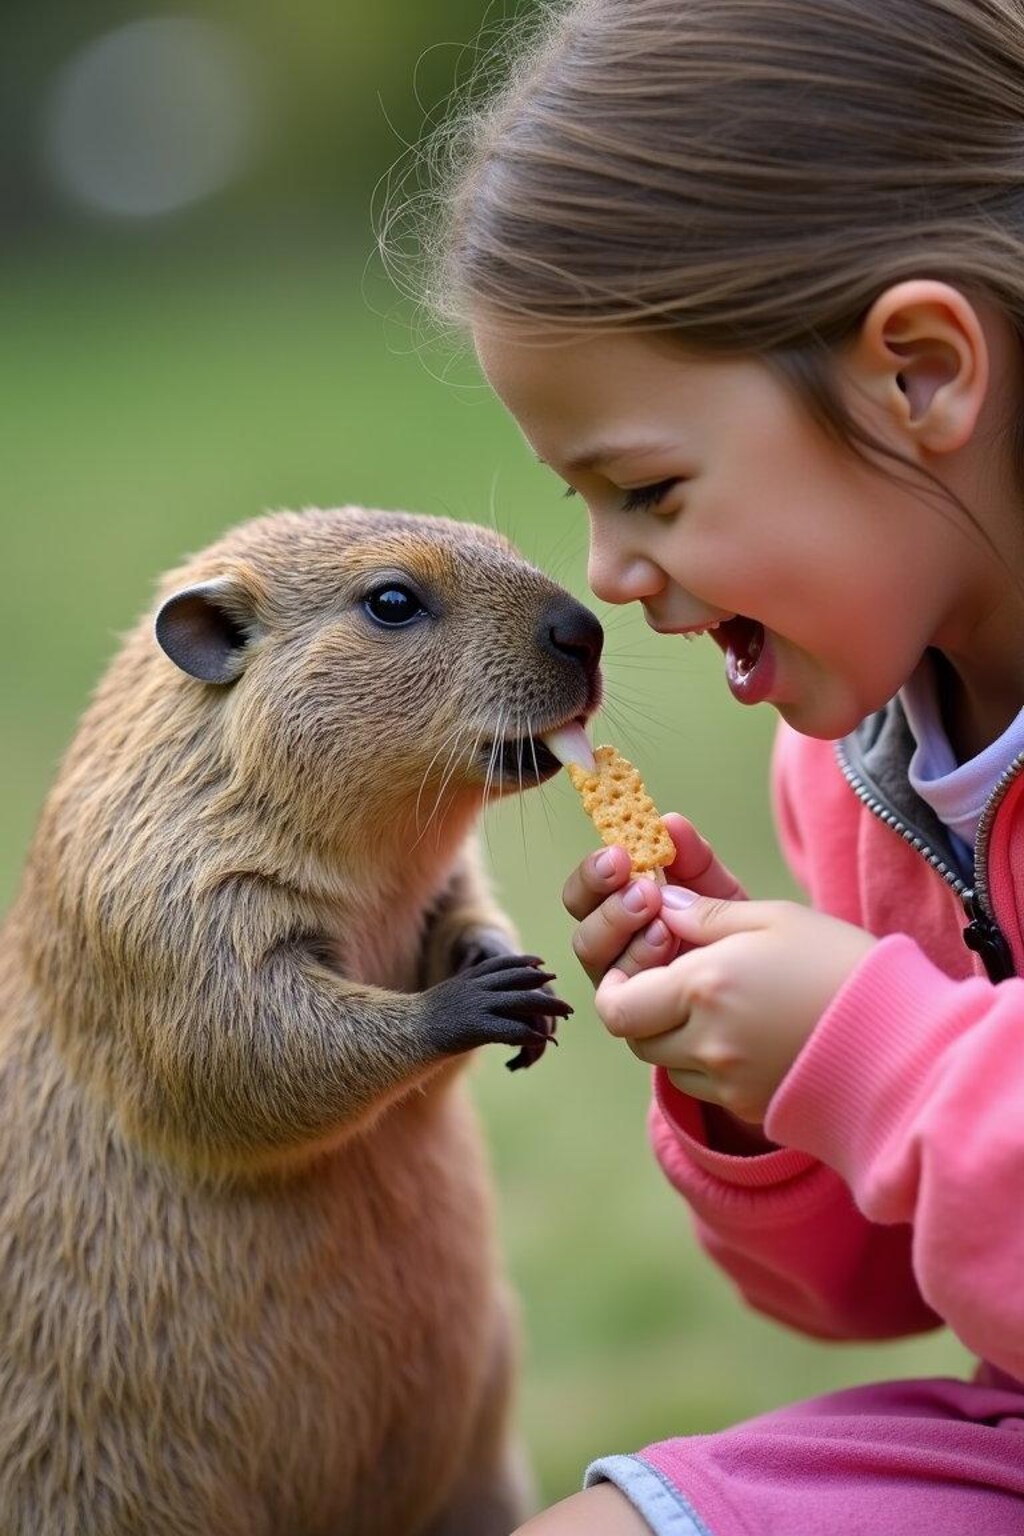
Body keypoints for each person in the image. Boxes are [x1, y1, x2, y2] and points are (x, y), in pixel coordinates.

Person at [406, 0, 1024, 1531]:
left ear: (919, 376)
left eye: (649, 489)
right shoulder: (861, 773)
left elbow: (918, 1084)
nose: (606, 575)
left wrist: (876, 1049)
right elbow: (880, 1289)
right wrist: (762, 1086)